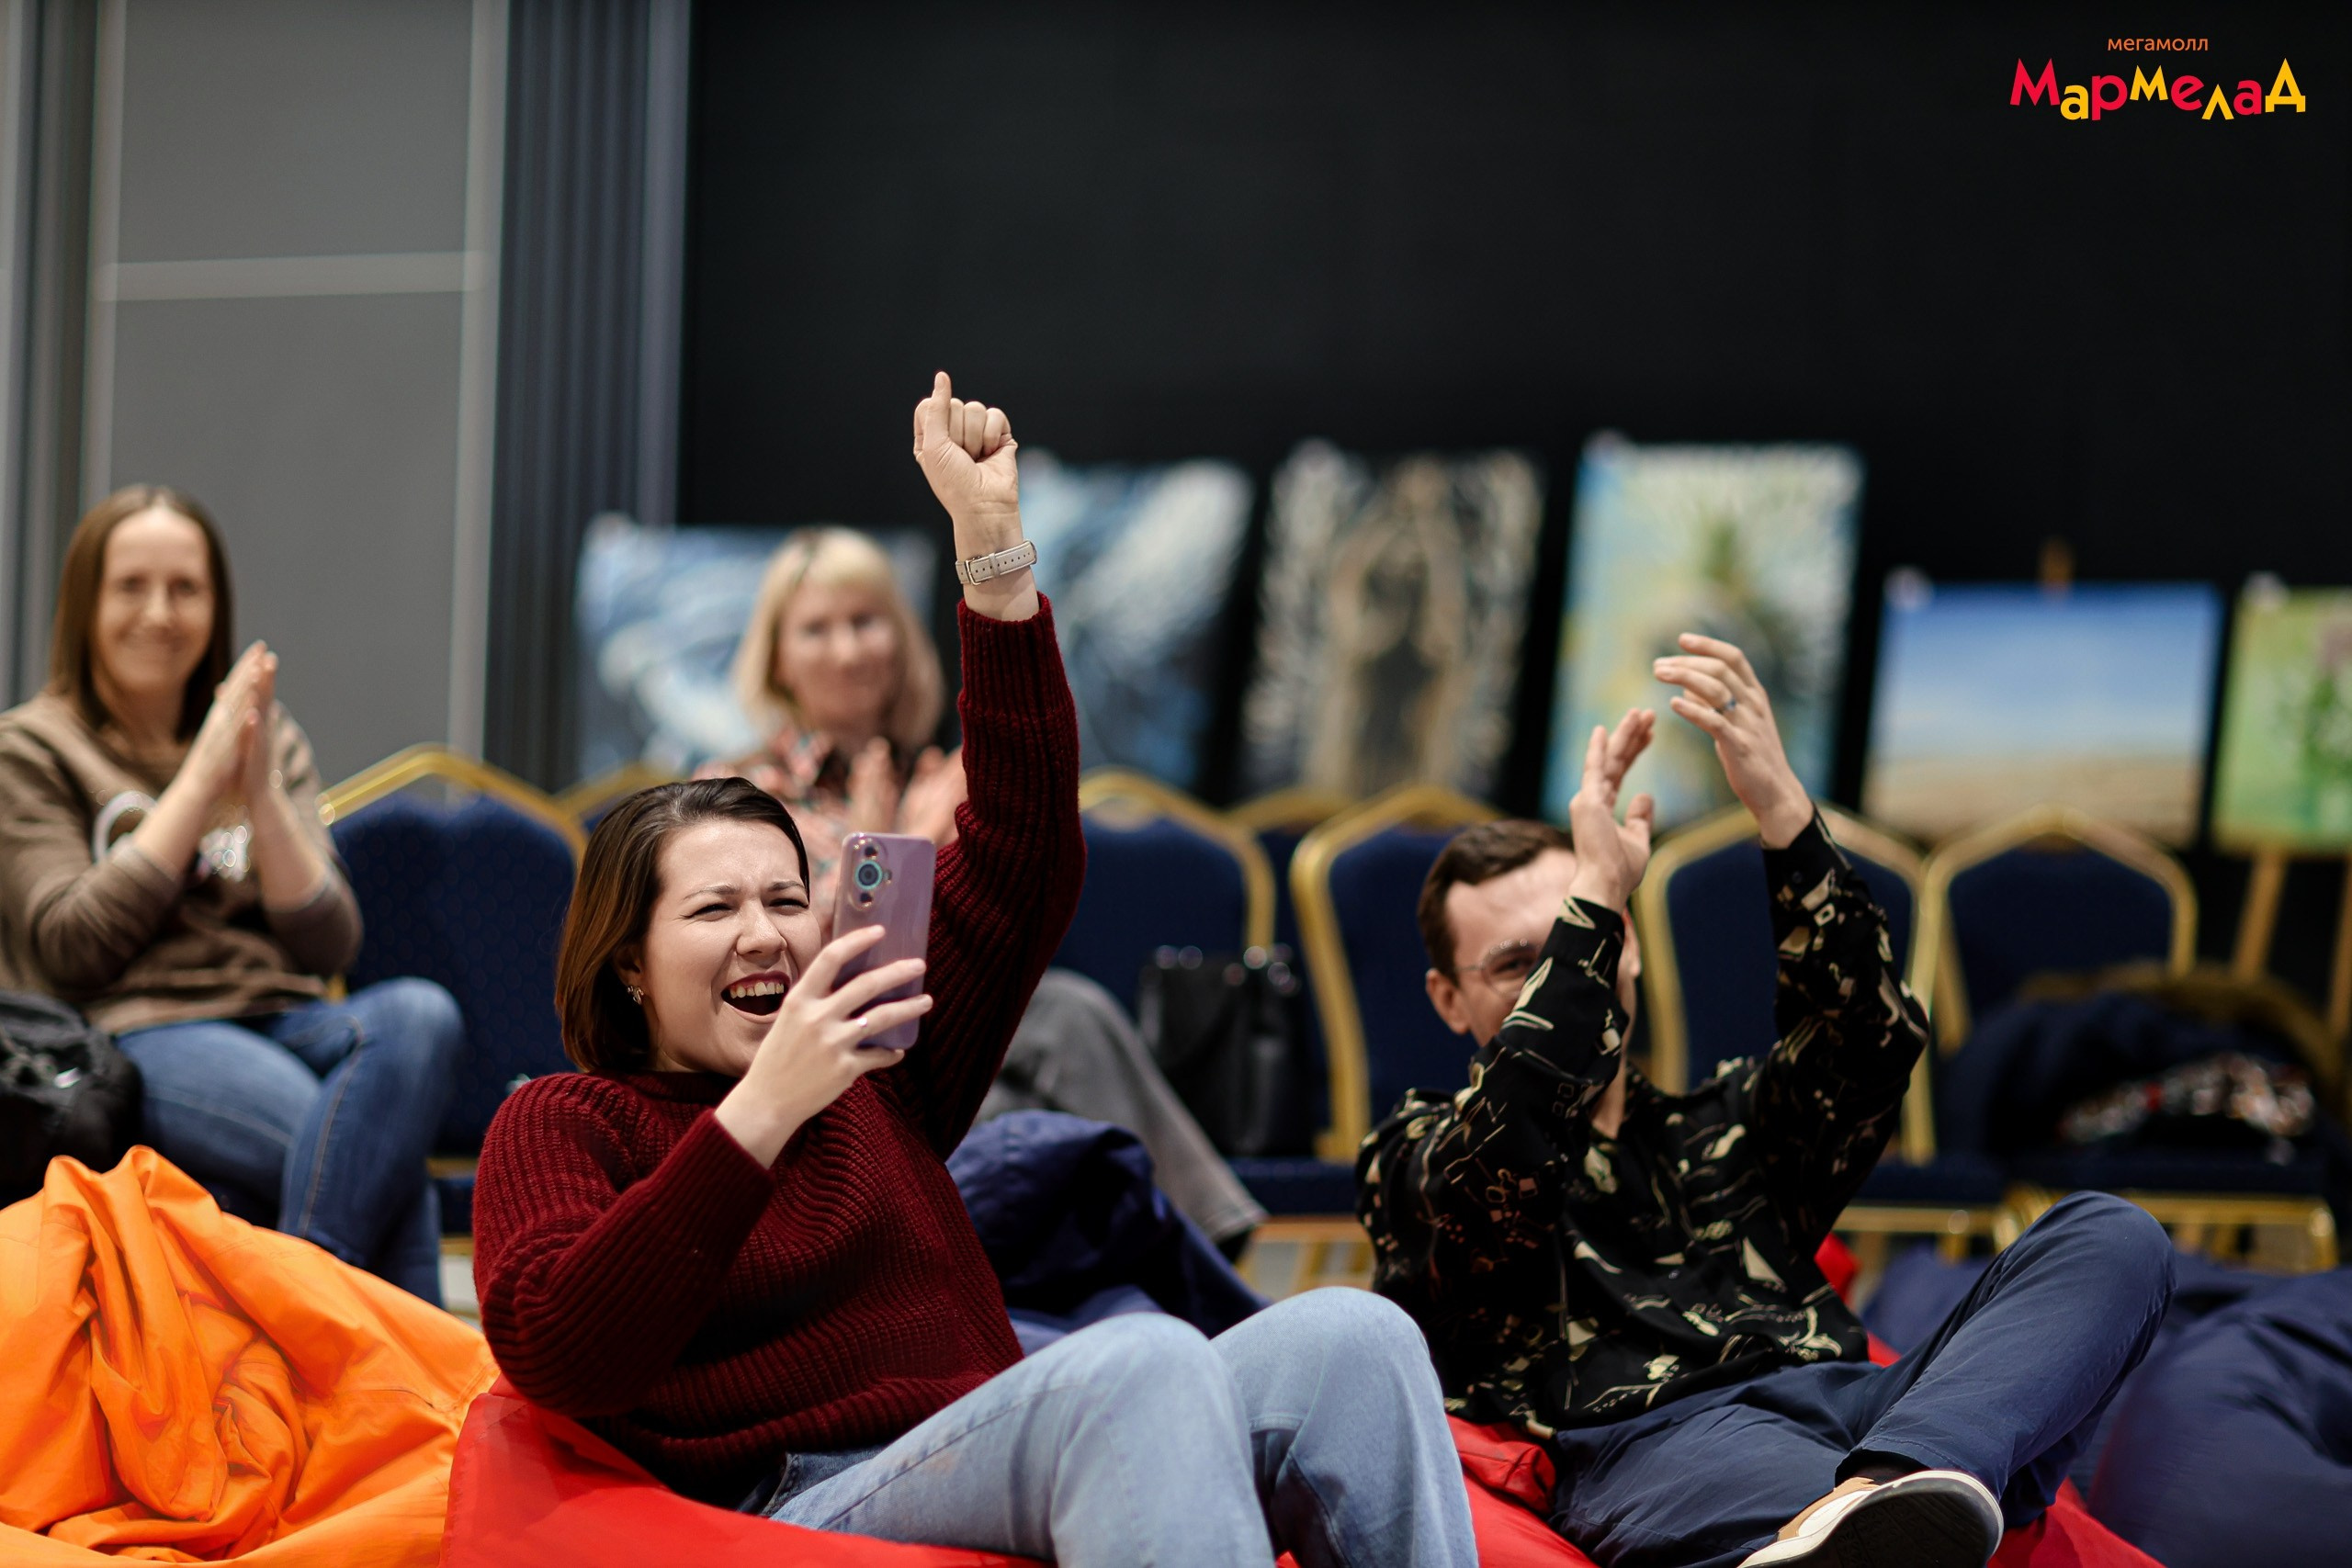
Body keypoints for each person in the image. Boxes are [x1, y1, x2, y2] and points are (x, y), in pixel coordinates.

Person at [471, 374, 1475, 1568]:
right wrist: (761, 1111)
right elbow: (565, 1349)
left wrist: (992, 547)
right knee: (1137, 1358)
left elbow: (1024, 855)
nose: (764, 931)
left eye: (788, 898)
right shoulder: (559, 1120)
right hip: (802, 1496)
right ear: (629, 963)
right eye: (715, 905)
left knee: (1355, 1338)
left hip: (987, 1428)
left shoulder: (881, 1072)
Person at [1360, 636, 2177, 1568]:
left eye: (1585, 940)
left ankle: (1895, 1494)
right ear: (1448, 1000)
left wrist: (1782, 811)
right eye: (1522, 962)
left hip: (1865, 1410)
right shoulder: (1415, 1153)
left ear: (1630, 946)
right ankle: (1882, 1514)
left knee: (2110, 1236)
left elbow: (1869, 1043)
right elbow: (1509, 1143)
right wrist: (1591, 894)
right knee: (1803, 1497)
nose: (1566, 969)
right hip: (1660, 1444)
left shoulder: (1725, 1123)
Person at [705, 519, 1264, 1249]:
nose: (847, 650)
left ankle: (1167, 1271)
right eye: (817, 629)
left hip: (955, 1061)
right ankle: (1208, 1246)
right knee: (1066, 1019)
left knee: (1051, 1087)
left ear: (901, 640)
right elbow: (776, 965)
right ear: (777, 657)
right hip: (831, 1080)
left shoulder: (948, 778)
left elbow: (1012, 927)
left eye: (866, 622)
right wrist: (886, 848)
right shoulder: (735, 795)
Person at [0, 485, 464, 1303]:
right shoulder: (33, 747)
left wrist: (257, 791)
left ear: (217, 606)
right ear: (85, 604)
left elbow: (329, 945)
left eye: (186, 588)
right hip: (141, 1025)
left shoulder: (266, 736)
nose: (160, 612)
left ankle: (304, 1315)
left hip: (287, 1014)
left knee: (420, 1013)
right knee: (390, 1174)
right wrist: (199, 779)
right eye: (131, 586)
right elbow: (69, 947)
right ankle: (414, 1403)